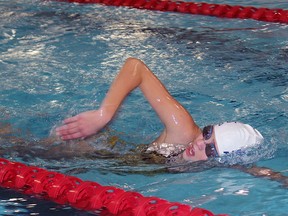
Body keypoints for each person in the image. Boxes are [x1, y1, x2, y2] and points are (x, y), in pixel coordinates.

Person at [55, 57, 264, 163]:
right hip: (90, 151)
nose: (200, 143)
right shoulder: (182, 131)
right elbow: (136, 67)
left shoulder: (218, 164)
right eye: (208, 133)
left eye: (210, 149)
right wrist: (104, 114)